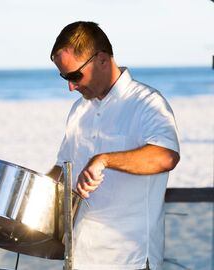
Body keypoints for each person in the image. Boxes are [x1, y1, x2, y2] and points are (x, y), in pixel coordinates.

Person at [47, 21, 180, 270]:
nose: (70, 86)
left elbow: (166, 157)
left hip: (130, 261)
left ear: (102, 60)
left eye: (75, 75)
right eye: (64, 77)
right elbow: (61, 172)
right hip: (80, 258)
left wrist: (105, 159)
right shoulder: (79, 110)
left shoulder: (147, 103)